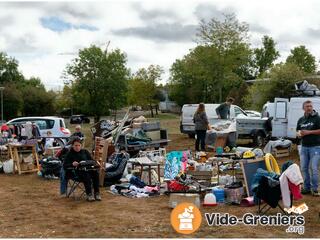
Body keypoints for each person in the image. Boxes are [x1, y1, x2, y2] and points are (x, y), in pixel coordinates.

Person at [296, 100, 320, 197]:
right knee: (304, 168)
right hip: (304, 147)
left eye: (310, 106)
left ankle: (315, 189)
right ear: (303, 108)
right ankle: (306, 188)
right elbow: (298, 131)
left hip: (315, 147)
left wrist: (308, 132)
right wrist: (299, 135)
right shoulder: (301, 120)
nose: (309, 108)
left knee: (313, 168)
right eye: (307, 106)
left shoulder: (317, 118)